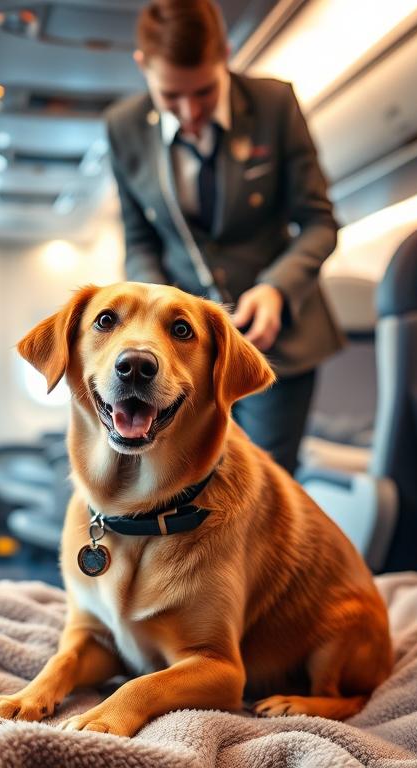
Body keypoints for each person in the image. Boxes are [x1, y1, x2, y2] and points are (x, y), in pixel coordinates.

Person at [105, 0, 344, 476]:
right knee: (183, 483)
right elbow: (141, 241)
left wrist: (277, 287)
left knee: (263, 483)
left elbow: (319, 222)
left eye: (205, 92)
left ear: (226, 55)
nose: (191, 112)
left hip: (273, 343)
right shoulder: (125, 127)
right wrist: (152, 313)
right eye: (172, 96)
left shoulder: (274, 105)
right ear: (142, 67)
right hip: (180, 352)